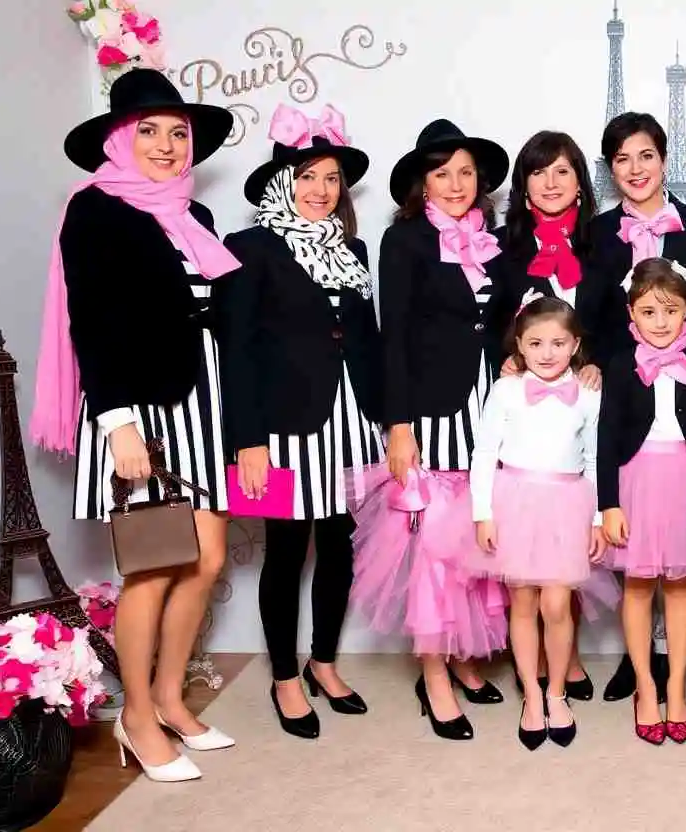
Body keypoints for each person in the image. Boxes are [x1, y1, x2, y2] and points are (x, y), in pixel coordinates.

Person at [31, 68, 238, 781]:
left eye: (178, 133)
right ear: (118, 139)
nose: (167, 144)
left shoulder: (195, 218)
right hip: (141, 407)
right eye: (147, 131)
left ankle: (170, 698)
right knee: (153, 566)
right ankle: (137, 716)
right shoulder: (96, 209)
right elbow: (91, 318)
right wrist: (117, 421)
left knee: (207, 560)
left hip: (204, 405)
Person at [218, 104, 381, 738]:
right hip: (283, 426)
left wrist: (384, 417)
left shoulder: (353, 249)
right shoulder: (251, 247)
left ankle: (324, 663)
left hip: (347, 419)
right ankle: (285, 677)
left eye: (332, 179)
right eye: (308, 176)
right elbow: (238, 348)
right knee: (287, 551)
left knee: (339, 545)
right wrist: (247, 440)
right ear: (283, 180)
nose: (320, 190)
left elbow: (363, 340)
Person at [376, 118, 515, 739]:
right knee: (433, 548)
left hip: (491, 409)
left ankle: (463, 656)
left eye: (465, 172)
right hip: (433, 413)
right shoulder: (403, 241)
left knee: (478, 539)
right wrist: (399, 424)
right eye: (442, 173)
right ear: (422, 185)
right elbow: (394, 338)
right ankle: (433, 674)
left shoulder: (496, 239)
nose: (456, 183)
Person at [590, 113, 686, 703]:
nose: (636, 169)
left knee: (673, 560)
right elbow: (592, 313)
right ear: (610, 169)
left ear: (665, 158)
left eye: (645, 156)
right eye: (622, 159)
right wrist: (592, 362)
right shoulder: (596, 233)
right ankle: (635, 662)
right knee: (636, 558)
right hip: (628, 395)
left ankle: (669, 675)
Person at [458, 298, 610, 750]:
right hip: (515, 503)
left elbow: (596, 458)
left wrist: (599, 518)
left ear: (576, 344)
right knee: (522, 604)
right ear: (519, 347)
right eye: (537, 343)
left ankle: (557, 692)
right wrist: (482, 512)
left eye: (559, 343)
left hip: (568, 504)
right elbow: (484, 453)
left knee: (558, 605)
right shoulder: (505, 390)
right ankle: (530, 695)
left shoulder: (587, 394)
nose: (547, 353)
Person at [493, 130, 607, 700]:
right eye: (539, 172)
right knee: (527, 576)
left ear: (581, 183)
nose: (551, 183)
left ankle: (566, 667)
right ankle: (535, 682)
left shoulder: (604, 246)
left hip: (580, 409)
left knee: (565, 564)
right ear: (524, 185)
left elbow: (613, 323)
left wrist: (598, 366)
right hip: (523, 418)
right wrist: (509, 360)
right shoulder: (502, 248)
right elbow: (489, 323)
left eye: (563, 171)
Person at [598, 258, 686, 745]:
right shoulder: (619, 364)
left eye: (670, 311)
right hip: (636, 484)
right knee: (637, 587)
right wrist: (608, 503)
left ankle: (676, 688)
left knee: (678, 586)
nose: (659, 321)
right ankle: (646, 688)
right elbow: (607, 437)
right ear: (632, 314)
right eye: (648, 311)